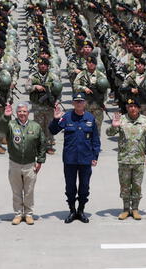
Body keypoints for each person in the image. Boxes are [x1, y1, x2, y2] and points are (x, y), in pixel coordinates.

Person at [49, 92, 100, 223]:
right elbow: (53, 131)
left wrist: (95, 156)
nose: (79, 103)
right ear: (72, 103)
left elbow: (95, 140)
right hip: (70, 159)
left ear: (85, 103)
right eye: (76, 101)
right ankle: (72, 210)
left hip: (85, 159)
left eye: (81, 101)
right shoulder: (66, 117)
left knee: (84, 187)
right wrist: (55, 119)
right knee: (70, 187)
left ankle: (81, 210)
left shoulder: (90, 118)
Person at [106, 98, 146, 220]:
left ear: (138, 108)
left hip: (138, 160)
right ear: (127, 108)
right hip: (124, 159)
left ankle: (135, 209)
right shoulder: (121, 120)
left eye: (134, 106)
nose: (132, 108)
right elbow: (109, 133)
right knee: (125, 186)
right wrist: (113, 126)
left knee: (137, 185)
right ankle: (126, 209)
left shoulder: (145, 121)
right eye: (130, 106)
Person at [0, 102, 46, 225]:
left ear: (28, 113)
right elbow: (0, 129)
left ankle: (29, 214)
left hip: (30, 164)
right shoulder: (11, 125)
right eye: (19, 111)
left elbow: (42, 143)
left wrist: (40, 160)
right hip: (15, 164)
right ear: (17, 113)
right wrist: (5, 117)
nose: (22, 114)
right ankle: (18, 214)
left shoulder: (35, 126)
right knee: (16, 191)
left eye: (24, 111)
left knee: (29, 191)